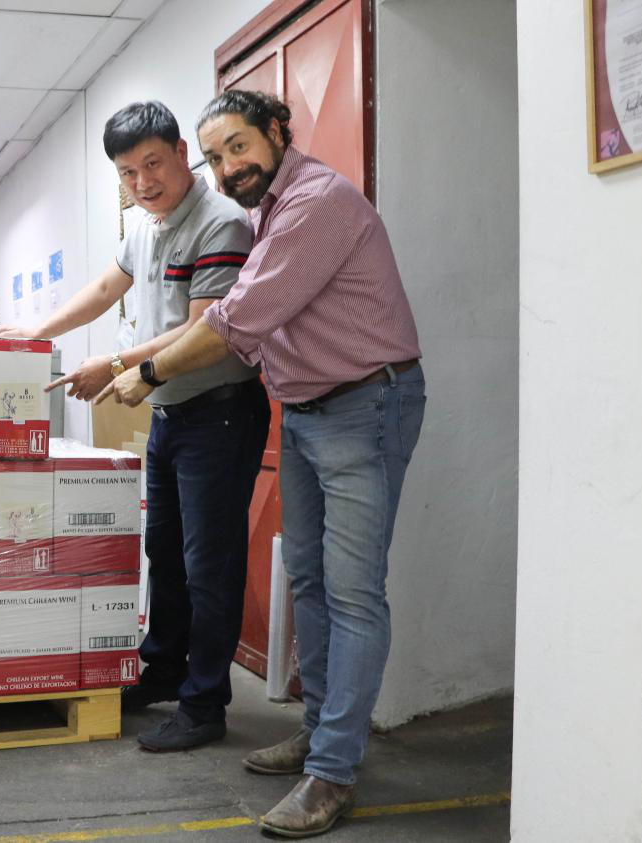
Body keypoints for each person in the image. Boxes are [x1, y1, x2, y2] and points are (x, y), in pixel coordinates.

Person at [99, 89, 425, 839]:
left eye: (238, 147)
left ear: (279, 132)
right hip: (305, 408)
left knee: (352, 593)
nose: (228, 167)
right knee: (306, 579)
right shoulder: (262, 212)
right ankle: (319, 732)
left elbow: (233, 320)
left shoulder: (313, 203)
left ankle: (333, 770)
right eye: (217, 157)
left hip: (364, 404)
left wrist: (143, 373)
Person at [0, 101, 269, 752]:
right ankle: (162, 669)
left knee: (209, 566)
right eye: (127, 172)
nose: (142, 182)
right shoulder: (143, 225)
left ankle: (204, 703)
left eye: (152, 164)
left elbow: (202, 329)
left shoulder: (221, 223)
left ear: (181, 153)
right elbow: (105, 289)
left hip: (219, 413)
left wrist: (114, 364)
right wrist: (33, 331)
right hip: (170, 414)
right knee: (163, 553)